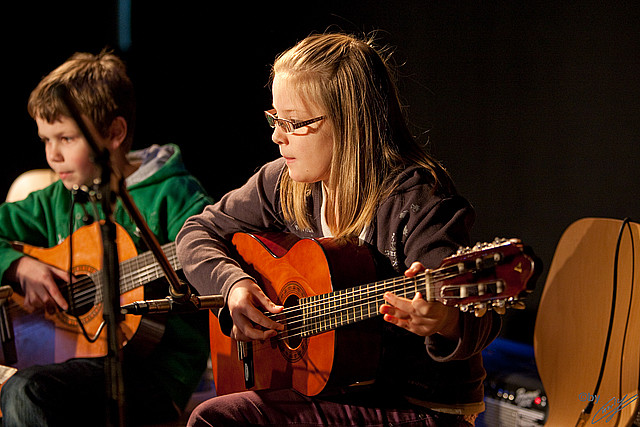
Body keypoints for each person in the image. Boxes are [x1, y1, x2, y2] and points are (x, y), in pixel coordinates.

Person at [176, 32, 501, 426]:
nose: (277, 136)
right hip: (336, 389)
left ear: (351, 123)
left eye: (294, 123)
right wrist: (233, 285)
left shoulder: (419, 202)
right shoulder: (286, 182)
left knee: (220, 419)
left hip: (416, 404)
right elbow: (197, 231)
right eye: (275, 119)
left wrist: (444, 320)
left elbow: (478, 314)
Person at [0, 51, 212, 426]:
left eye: (66, 138)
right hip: (63, 362)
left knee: (27, 392)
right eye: (45, 140)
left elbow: (211, 251)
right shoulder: (55, 199)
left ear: (114, 133)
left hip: (153, 375)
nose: (53, 156)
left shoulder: (171, 195)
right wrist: (18, 265)